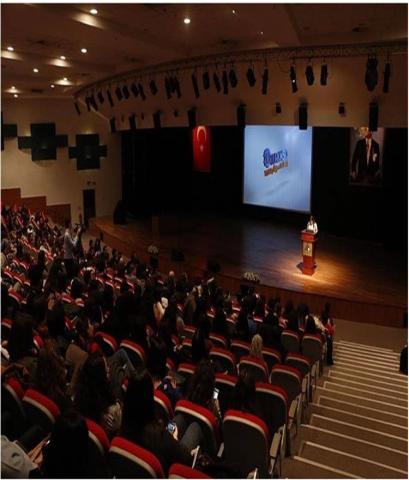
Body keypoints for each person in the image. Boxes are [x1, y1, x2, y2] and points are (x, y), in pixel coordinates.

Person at [121, 368, 201, 474]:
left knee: (180, 419)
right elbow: (186, 459)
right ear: (149, 398)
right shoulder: (160, 436)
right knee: (195, 426)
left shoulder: (123, 425)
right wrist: (175, 439)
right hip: (169, 467)